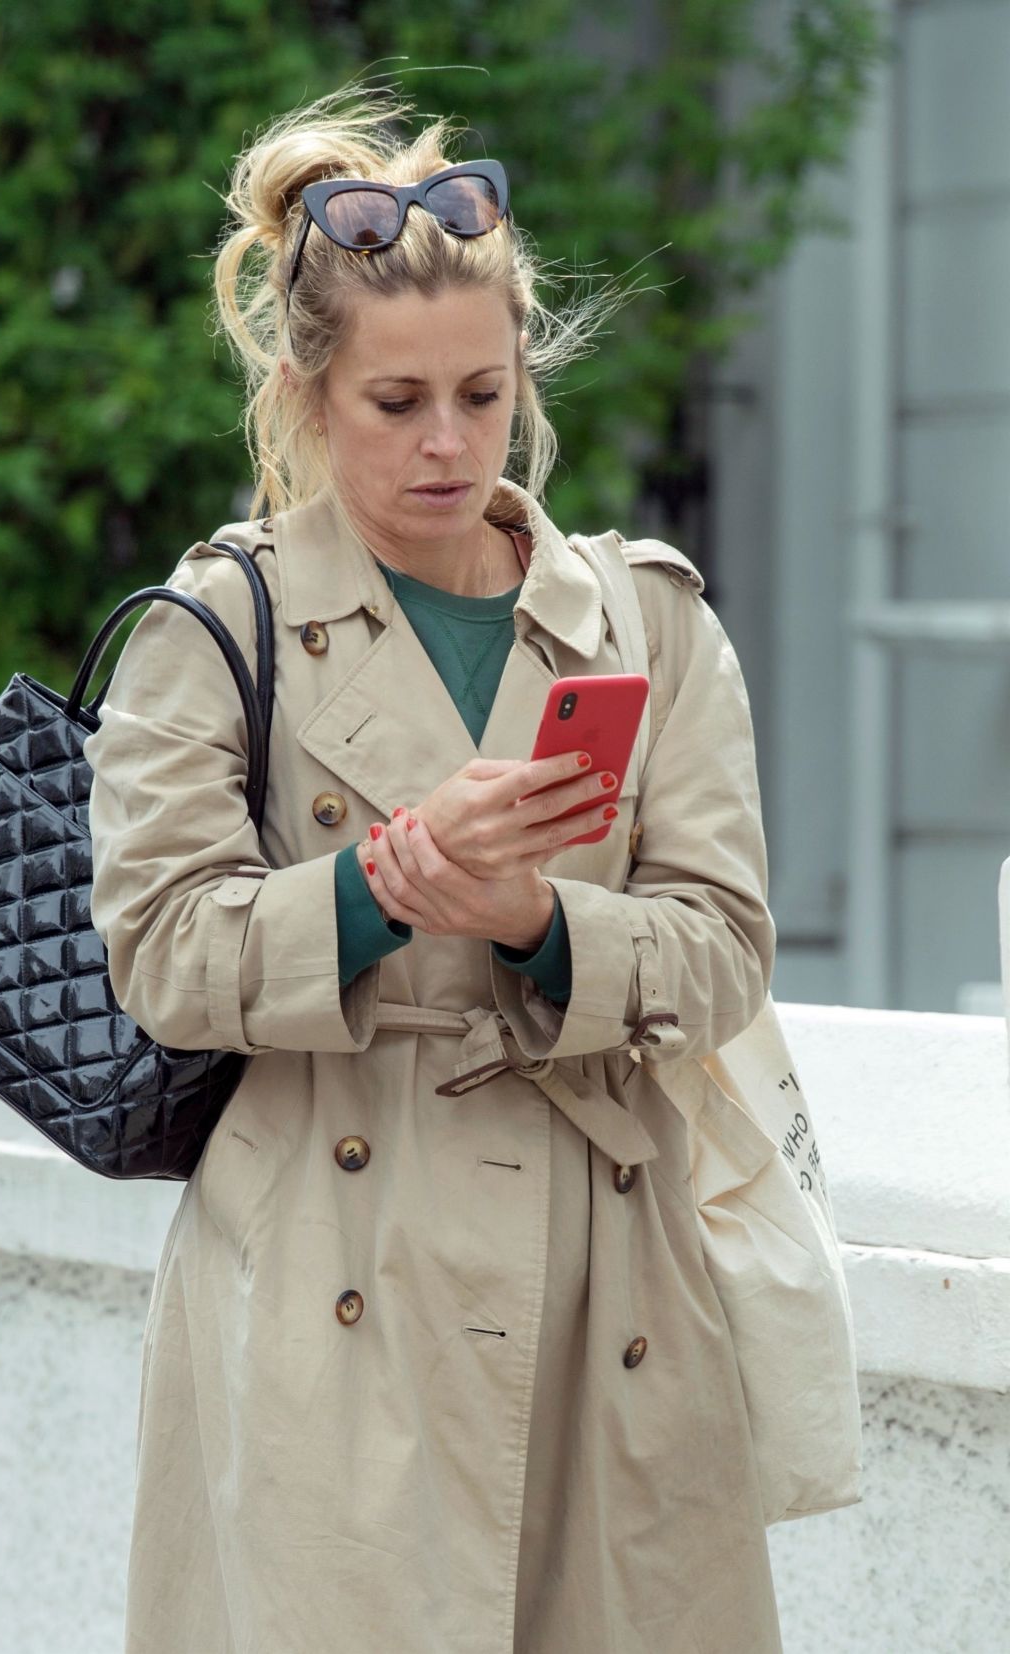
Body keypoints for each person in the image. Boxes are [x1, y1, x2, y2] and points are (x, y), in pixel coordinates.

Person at [83, 78, 785, 1654]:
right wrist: (382, 884)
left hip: (616, 1306)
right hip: (333, 1282)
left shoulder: (649, 621)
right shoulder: (219, 627)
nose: (447, 442)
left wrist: (537, 919)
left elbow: (727, 946)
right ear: (310, 394)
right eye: (398, 403)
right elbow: (163, 954)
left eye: (481, 391)